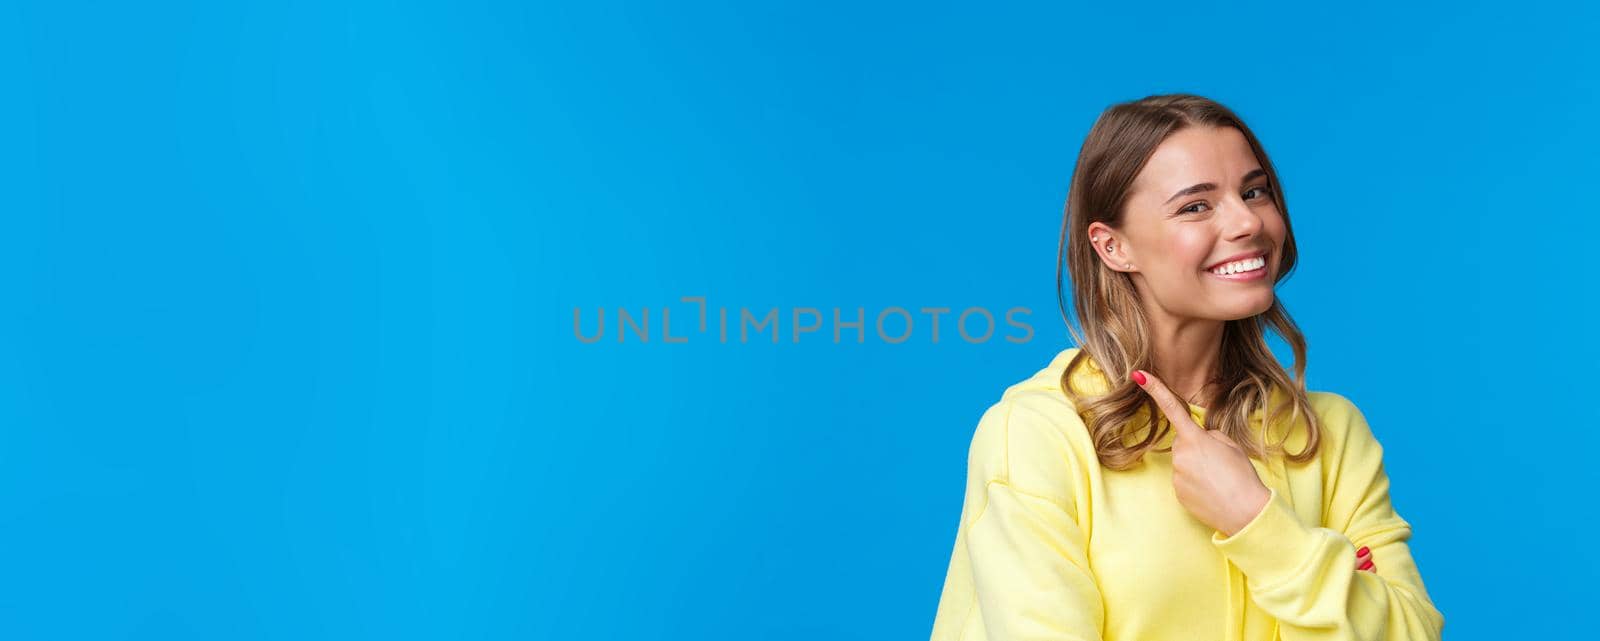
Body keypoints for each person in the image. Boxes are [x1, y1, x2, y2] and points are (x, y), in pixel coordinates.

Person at [927, 94, 1444, 641]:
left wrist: (1257, 521)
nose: (1248, 221)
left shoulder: (1330, 433)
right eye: (1196, 206)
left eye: (1254, 191)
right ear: (1113, 246)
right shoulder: (1037, 436)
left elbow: (1412, 631)